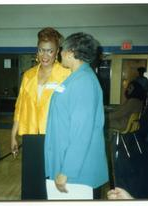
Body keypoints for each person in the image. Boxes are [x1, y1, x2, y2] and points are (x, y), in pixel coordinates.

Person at [44, 32, 109, 200]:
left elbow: (81, 132)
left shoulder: (83, 82)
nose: (59, 53)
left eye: (62, 49)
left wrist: (67, 171)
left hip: (76, 173)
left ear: (71, 52)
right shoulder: (77, 78)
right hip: (67, 161)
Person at [11, 27, 70, 200]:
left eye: (50, 50)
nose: (45, 55)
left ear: (57, 51)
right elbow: (20, 106)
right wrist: (13, 134)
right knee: (31, 183)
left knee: (52, 183)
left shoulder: (66, 75)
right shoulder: (28, 75)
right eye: (41, 50)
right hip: (31, 137)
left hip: (55, 136)